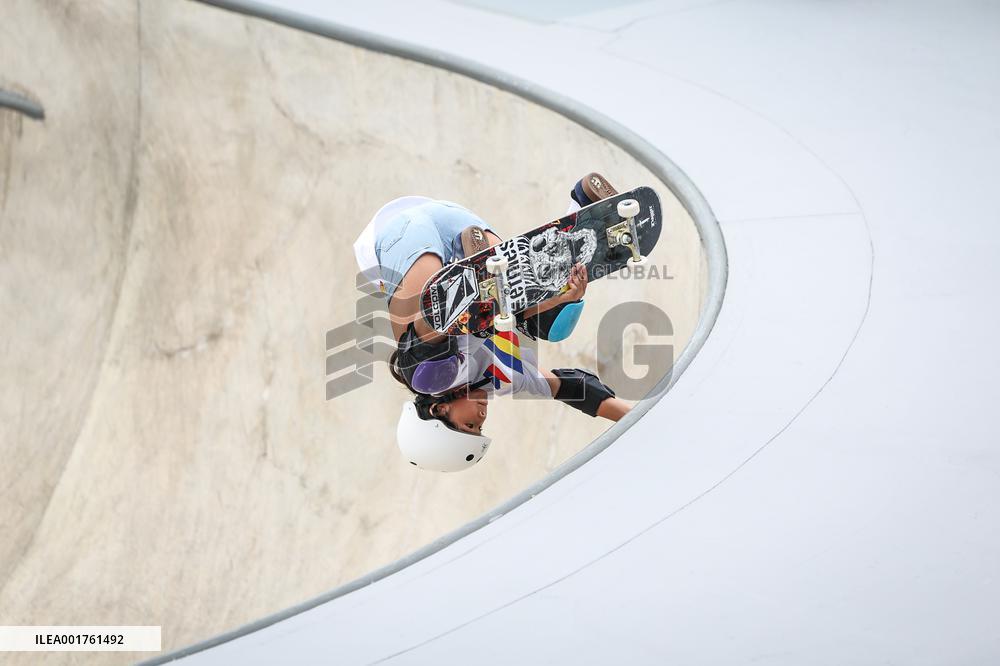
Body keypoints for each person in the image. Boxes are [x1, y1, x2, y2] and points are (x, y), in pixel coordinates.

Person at [353, 173, 631, 472]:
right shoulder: (508, 381)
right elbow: (576, 389)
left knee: (428, 374)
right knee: (552, 326)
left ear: (438, 409)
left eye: (468, 424)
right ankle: (582, 207)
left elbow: (423, 350)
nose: (482, 419)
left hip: (402, 236)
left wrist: (484, 309)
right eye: (479, 429)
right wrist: (563, 296)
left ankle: (475, 292)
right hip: (462, 228)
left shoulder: (434, 379)